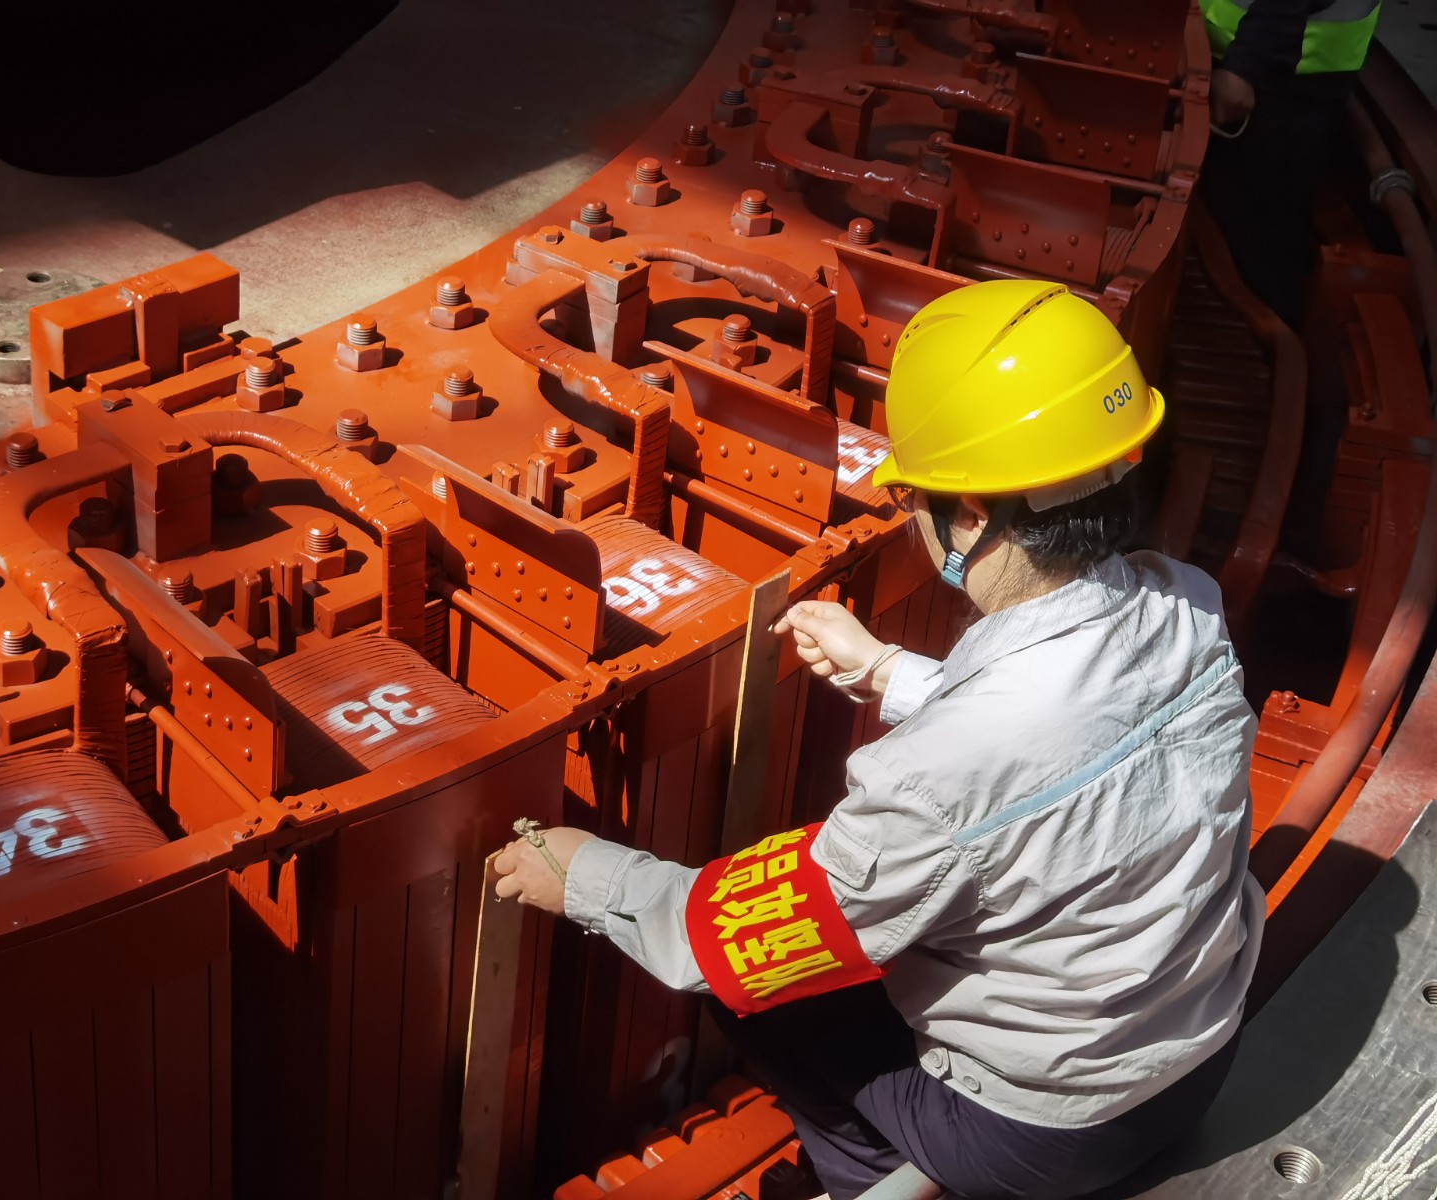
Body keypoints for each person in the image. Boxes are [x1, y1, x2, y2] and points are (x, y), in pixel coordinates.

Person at [495, 280, 1265, 1200]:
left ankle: (867, 1177)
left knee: (772, 1001)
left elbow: (736, 941)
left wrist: (583, 875)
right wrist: (889, 672)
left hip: (1051, 1135)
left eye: (913, 497)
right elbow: (1067, 748)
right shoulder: (1186, 604)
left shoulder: (939, 772)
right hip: (1202, 1051)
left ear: (971, 513)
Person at [1197, 0, 1382, 330]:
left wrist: (1246, 64)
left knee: (1257, 241)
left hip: (1284, 78)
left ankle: (1265, 339)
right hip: (1235, 55)